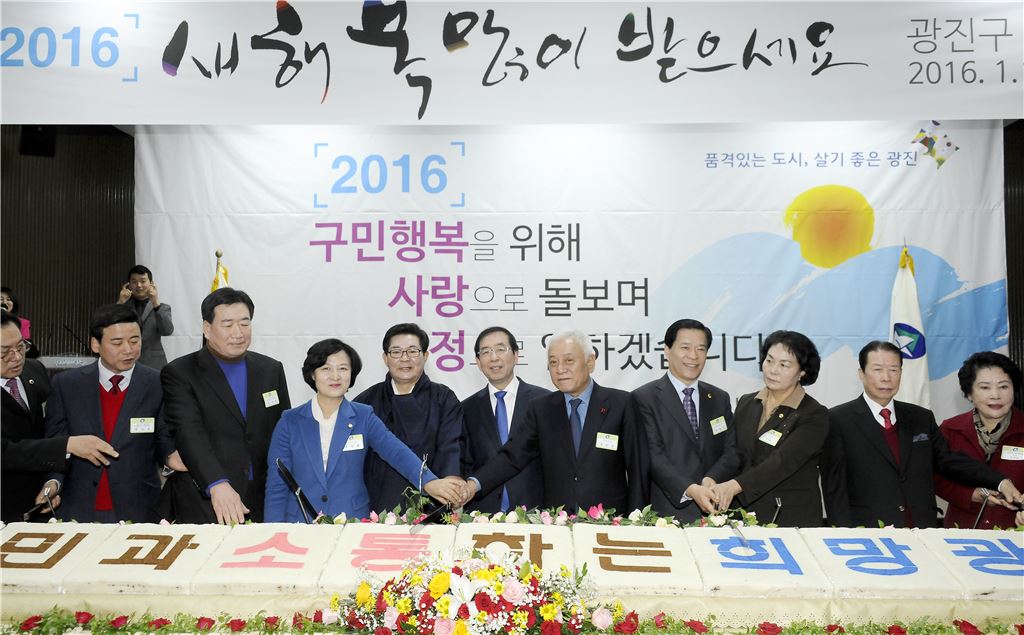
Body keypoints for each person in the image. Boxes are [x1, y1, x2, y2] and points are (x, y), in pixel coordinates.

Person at [822, 341, 1022, 528]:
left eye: (893, 370)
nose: (886, 377)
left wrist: (1000, 481)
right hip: (868, 531)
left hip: (922, 530)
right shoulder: (838, 419)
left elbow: (949, 461)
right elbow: (834, 487)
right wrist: (842, 533)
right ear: (862, 374)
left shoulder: (920, 417)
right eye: (878, 369)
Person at [265, 339, 463, 522]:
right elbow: (277, 484)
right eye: (326, 369)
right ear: (312, 374)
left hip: (351, 522)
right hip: (300, 523)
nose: (335, 376)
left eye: (343, 368)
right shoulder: (290, 421)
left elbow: (397, 452)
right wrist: (273, 531)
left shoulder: (363, 416)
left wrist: (428, 481)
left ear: (351, 375)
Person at [461, 330, 648, 513]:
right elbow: (512, 456)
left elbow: (638, 469)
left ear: (590, 362)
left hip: (610, 520)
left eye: (569, 361)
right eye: (553, 362)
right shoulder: (541, 409)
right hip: (557, 521)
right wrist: (473, 485)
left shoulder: (621, 403)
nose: (560, 369)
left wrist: (637, 517)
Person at [43, 304, 184, 522]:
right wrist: (53, 482)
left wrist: (171, 457)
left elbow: (163, 438)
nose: (128, 350)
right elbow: (56, 443)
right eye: (117, 343)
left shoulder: (158, 383)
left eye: (135, 341)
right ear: (95, 344)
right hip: (78, 506)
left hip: (140, 507)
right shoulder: (66, 385)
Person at [161, 287, 291, 524]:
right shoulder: (180, 373)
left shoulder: (271, 369)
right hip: (208, 496)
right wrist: (216, 483)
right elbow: (189, 432)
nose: (238, 333)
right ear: (207, 328)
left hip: (262, 496)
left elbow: (282, 431)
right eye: (228, 324)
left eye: (245, 323)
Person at [1, 311, 117, 523]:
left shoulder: (34, 370)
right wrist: (67, 445)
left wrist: (52, 482)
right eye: (4, 353)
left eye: (21, 346)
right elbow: (5, 451)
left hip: (40, 504)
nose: (17, 357)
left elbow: (49, 429)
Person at [711, 330, 828, 527]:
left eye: (784, 365)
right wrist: (712, 478)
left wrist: (734, 486)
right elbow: (735, 453)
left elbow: (782, 462)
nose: (773, 370)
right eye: (769, 360)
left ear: (802, 371)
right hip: (742, 514)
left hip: (788, 517)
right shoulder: (747, 402)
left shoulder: (813, 414)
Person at [631, 319, 741, 522]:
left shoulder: (719, 398)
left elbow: (732, 451)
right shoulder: (643, 398)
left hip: (716, 511)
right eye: (685, 348)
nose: (693, 356)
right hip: (666, 515)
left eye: (701, 349)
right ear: (667, 350)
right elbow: (653, 456)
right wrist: (690, 489)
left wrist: (711, 479)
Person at [354, 323, 463, 512]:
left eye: (412, 351)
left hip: (430, 504)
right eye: (396, 352)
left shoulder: (443, 398)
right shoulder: (365, 402)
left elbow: (451, 447)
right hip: (376, 505)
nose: (405, 358)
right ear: (385, 358)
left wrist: (451, 485)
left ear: (425, 356)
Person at [459, 327, 549, 513]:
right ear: (478, 362)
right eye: (486, 352)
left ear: (516, 355)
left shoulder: (544, 402)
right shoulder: (465, 409)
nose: (493, 358)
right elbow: (463, 462)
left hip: (537, 512)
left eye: (501, 349)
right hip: (482, 514)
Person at [935, 352, 1024, 529]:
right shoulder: (950, 429)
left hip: (1015, 532)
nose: (995, 395)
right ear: (969, 394)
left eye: (1003, 387)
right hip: (961, 532)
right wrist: (971, 495)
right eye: (985, 387)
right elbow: (935, 478)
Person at [117, 265, 174, 369]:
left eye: (143, 281)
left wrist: (156, 304)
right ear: (128, 285)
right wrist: (120, 303)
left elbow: (167, 331)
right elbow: (109, 329)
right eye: (134, 282)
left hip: (154, 363)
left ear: (151, 284)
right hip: (126, 361)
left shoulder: (162, 307)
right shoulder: (122, 307)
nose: (139, 285)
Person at [1, 286, 38, 357]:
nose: (4, 302)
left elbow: (25, 346)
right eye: (1, 299)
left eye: (8, 299)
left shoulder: (23, 323)